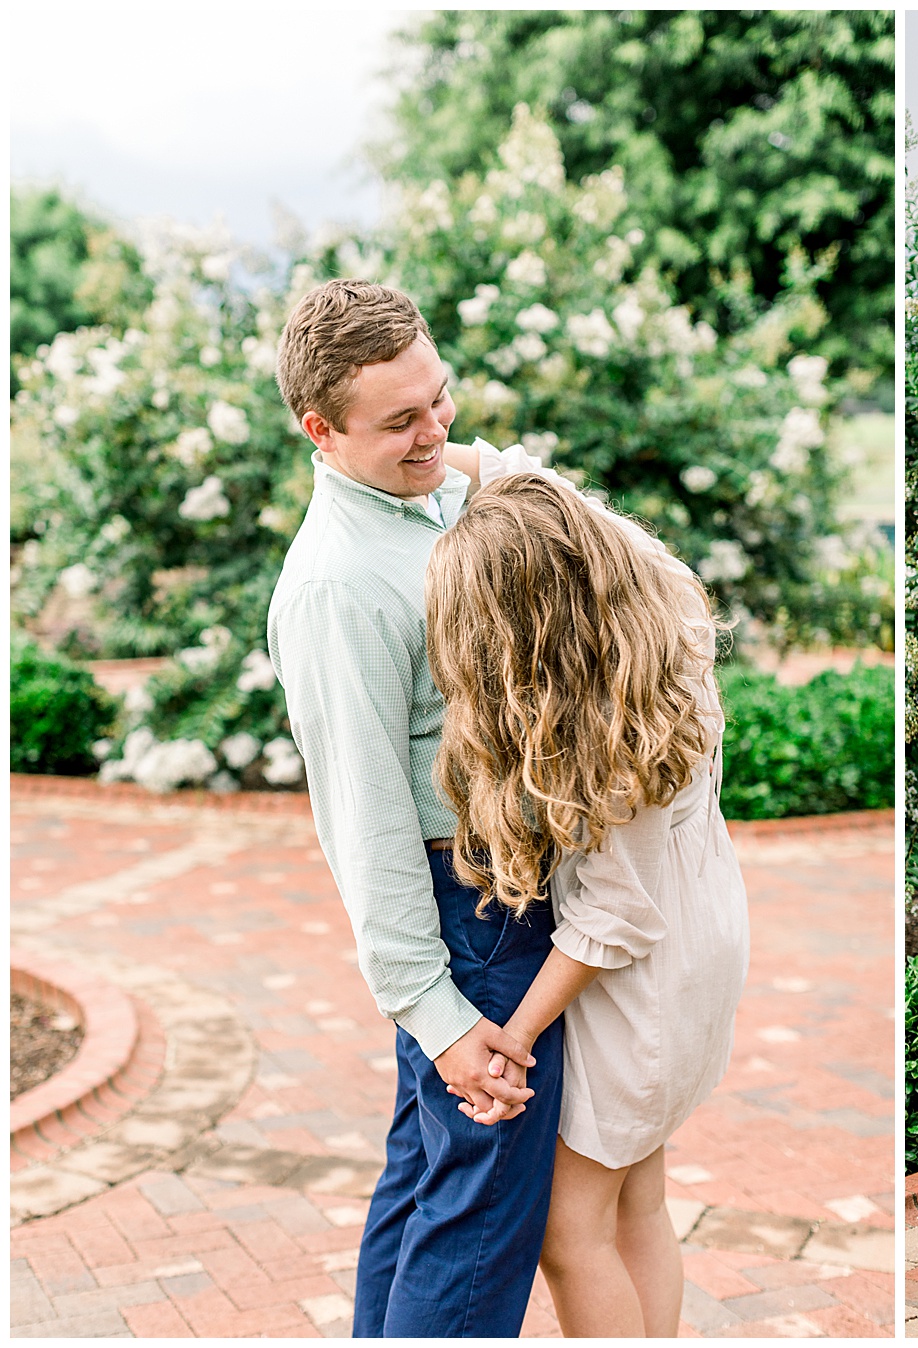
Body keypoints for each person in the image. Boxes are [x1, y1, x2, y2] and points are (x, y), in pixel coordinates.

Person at [268, 280, 553, 1337]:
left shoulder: (428, 494)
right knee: (481, 1217)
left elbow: (526, 486)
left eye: (440, 398)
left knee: (427, 1178)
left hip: (493, 897)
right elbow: (366, 822)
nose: (435, 428)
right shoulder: (334, 588)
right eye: (401, 420)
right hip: (470, 914)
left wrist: (459, 455)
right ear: (322, 431)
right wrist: (435, 1015)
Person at [422, 460, 750, 1337]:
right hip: (703, 936)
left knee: (572, 1237)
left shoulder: (605, 725)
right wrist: (450, 455)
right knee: (638, 1202)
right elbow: (546, 491)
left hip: (642, 986)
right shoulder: (664, 605)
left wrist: (515, 1038)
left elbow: (616, 914)